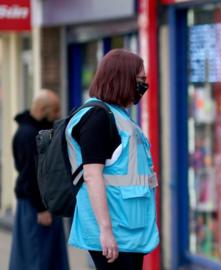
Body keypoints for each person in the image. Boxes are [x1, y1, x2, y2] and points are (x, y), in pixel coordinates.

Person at [65, 49, 158, 270]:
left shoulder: (117, 115)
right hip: (114, 230)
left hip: (126, 226)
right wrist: (105, 230)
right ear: (123, 79)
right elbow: (91, 174)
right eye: (141, 80)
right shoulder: (97, 117)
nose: (144, 86)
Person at [9, 89, 69, 270]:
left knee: (48, 258)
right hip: (36, 207)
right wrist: (41, 209)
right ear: (43, 110)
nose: (58, 114)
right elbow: (29, 175)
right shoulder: (27, 135)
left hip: (46, 203)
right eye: (55, 110)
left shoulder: (38, 130)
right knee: (37, 258)